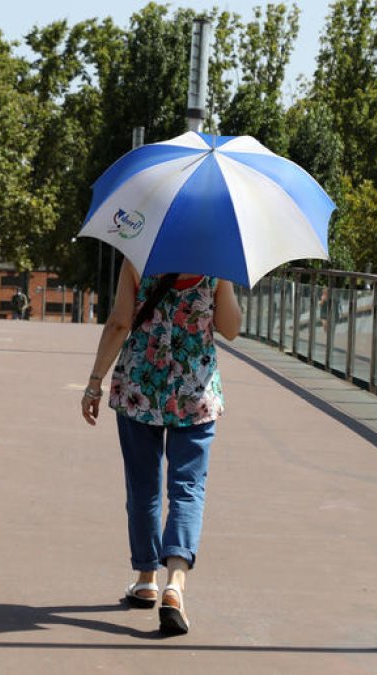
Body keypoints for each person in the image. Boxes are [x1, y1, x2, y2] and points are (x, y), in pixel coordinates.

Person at [80, 260, 241, 636]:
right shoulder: (215, 262)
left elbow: (120, 322)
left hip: (140, 388)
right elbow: (231, 329)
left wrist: (94, 382)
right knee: (188, 488)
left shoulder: (138, 257)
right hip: (195, 393)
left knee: (143, 488)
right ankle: (176, 584)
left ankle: (146, 578)